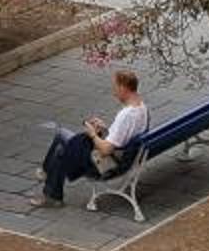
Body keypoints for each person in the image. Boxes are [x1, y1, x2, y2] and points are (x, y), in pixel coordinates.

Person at [37, 70, 150, 205]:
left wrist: (92, 134)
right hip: (125, 158)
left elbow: (106, 150)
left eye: (115, 87)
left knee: (62, 142)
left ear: (123, 87)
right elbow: (122, 137)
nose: (114, 92)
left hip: (107, 164)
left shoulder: (126, 115)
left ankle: (47, 178)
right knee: (63, 141)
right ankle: (49, 185)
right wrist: (105, 130)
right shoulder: (142, 108)